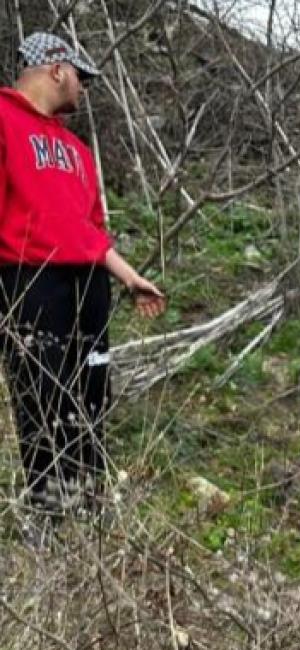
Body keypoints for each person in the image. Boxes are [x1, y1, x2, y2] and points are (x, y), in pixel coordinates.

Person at [0, 32, 166, 536]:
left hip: (89, 285)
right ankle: (50, 516)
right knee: (40, 400)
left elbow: (89, 229)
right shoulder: (4, 121)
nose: (85, 88)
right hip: (30, 282)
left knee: (90, 397)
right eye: (81, 76)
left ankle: (88, 506)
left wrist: (131, 277)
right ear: (56, 69)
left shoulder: (75, 149)